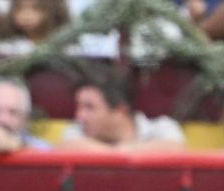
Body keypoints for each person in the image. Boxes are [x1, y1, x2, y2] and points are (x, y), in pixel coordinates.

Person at [60, 64, 188, 150]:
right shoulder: (76, 130)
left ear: (120, 111)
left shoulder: (162, 127)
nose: (79, 116)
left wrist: (114, 154)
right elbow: (69, 146)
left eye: (89, 107)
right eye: (79, 106)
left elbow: (174, 148)